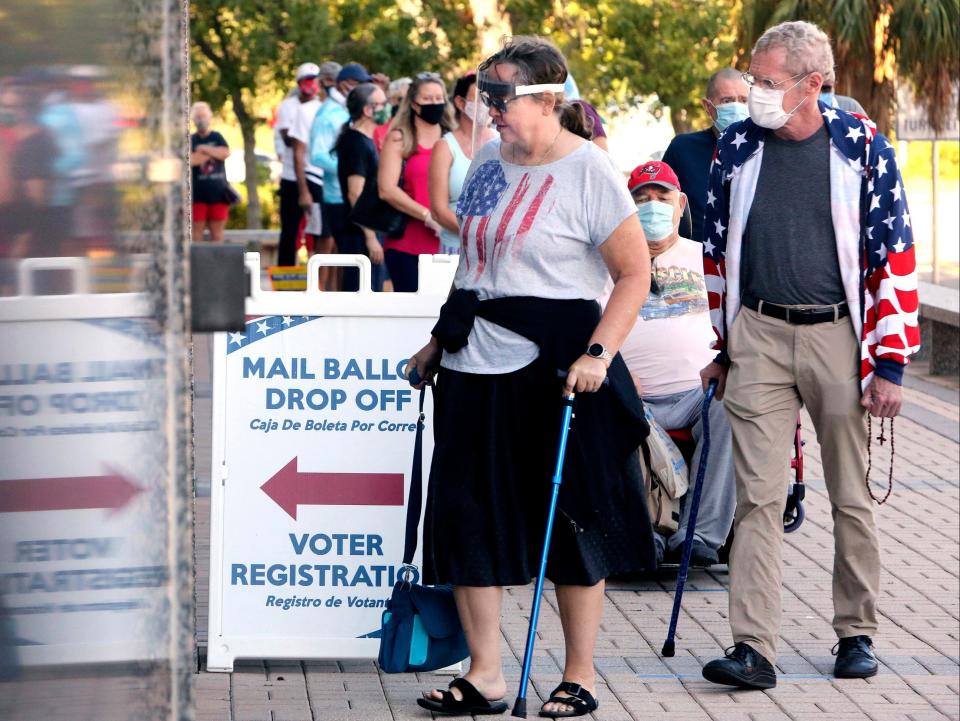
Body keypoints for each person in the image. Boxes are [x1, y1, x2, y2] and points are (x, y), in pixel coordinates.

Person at [406, 37, 655, 718]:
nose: (489, 112)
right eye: (484, 97)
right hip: (471, 363)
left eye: (502, 98)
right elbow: (475, 261)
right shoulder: (487, 159)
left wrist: (599, 355)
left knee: (571, 519)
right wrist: (437, 340)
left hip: (557, 370)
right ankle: (484, 673)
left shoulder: (589, 172)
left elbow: (635, 274)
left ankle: (579, 674)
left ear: (549, 99)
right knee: (464, 515)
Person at [699, 20, 920, 689]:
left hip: (839, 335)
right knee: (758, 500)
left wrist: (891, 362)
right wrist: (723, 342)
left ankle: (856, 631)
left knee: (850, 494)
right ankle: (753, 647)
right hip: (759, 335)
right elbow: (716, 249)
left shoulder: (861, 145)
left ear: (812, 84)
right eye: (755, 79)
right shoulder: (735, 148)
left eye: (768, 82)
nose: (755, 93)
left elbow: (893, 252)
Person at [608, 160, 735, 567]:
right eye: (641, 198)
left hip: (699, 392)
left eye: (661, 196)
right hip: (631, 396)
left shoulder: (707, 258)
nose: (652, 205)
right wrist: (619, 377)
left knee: (733, 406)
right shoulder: (608, 263)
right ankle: (644, 533)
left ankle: (698, 534)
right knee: (608, 413)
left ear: (680, 204)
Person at [378, 73, 450, 291]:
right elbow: (386, 189)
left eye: (439, 98)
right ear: (414, 103)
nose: (435, 104)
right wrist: (427, 216)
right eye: (428, 99)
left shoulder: (452, 139)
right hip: (408, 243)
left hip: (450, 244)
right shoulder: (400, 138)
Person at [661, 69, 748, 243]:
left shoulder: (765, 149)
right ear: (708, 107)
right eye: (727, 101)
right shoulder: (683, 149)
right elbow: (661, 206)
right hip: (696, 263)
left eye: (744, 100)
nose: (737, 107)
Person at [309, 62, 373, 285]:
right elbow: (317, 155)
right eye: (362, 84)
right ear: (347, 85)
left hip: (349, 195)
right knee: (348, 257)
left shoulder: (345, 109)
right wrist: (350, 168)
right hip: (338, 197)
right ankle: (329, 306)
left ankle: (338, 304)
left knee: (346, 259)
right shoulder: (328, 114)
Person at [428, 73, 495, 255]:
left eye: (491, 98)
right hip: (456, 250)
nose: (487, 106)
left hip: (496, 253)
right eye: (480, 99)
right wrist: (477, 235)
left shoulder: (504, 143)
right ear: (460, 102)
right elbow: (438, 210)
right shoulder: (445, 147)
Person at [334, 83, 388, 290]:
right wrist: (371, 237)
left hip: (367, 229)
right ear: (368, 110)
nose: (387, 108)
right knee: (363, 291)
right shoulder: (356, 143)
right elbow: (355, 193)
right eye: (382, 104)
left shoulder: (363, 140)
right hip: (360, 235)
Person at [275, 62, 322, 266]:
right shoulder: (289, 106)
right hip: (291, 177)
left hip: (315, 174)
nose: (310, 86)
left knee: (320, 229)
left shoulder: (320, 107)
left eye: (313, 82)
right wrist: (303, 136)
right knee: (290, 228)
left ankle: (318, 275)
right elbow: (289, 139)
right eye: (306, 82)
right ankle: (285, 274)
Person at [189, 101, 231, 242]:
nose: (201, 120)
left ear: (210, 117)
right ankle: (197, 264)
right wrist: (213, 153)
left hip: (218, 194)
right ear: (193, 119)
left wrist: (204, 149)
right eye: (198, 116)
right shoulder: (191, 139)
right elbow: (190, 160)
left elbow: (225, 152)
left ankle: (218, 263)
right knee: (196, 234)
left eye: (204, 116)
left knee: (217, 234)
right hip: (196, 196)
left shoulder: (217, 137)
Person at [374, 77, 411, 152]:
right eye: (400, 99)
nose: (404, 104)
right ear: (390, 100)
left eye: (409, 100)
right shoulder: (378, 130)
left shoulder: (422, 130)